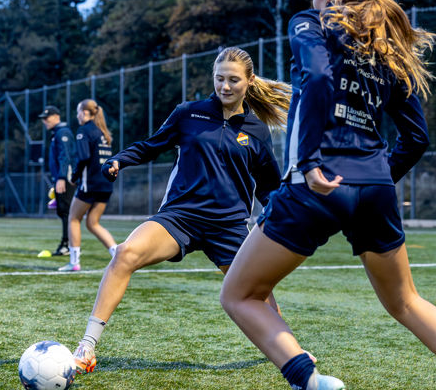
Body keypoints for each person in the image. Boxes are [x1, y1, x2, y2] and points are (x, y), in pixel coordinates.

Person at [219, 0, 436, 390]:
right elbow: (416, 137)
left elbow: (315, 77)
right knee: (406, 301)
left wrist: (311, 162)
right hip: (375, 186)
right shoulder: (384, 45)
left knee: (239, 294)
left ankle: (310, 381)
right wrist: (377, 178)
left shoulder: (309, 23)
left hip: (317, 185)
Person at [71, 46, 290, 374]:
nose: (225, 86)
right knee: (125, 254)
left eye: (233, 80)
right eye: (219, 79)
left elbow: (269, 185)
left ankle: (290, 354)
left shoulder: (257, 130)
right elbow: (151, 145)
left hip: (228, 226)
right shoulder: (189, 114)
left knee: (258, 295)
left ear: (249, 81)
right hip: (179, 217)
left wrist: (280, 216)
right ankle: (86, 345)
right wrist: (120, 160)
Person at [58, 99, 118, 272]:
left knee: (73, 218)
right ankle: (118, 253)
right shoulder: (103, 132)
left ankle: (74, 262)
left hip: (90, 184)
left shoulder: (84, 131)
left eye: (78, 112)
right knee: (92, 223)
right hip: (106, 185)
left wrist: (74, 177)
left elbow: (83, 157)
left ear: (85, 113)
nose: (77, 116)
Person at [38, 105, 76, 257]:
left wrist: (61, 178)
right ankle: (67, 244)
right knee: (64, 211)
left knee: (67, 212)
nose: (44, 121)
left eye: (46, 118)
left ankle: (67, 245)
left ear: (56, 117)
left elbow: (65, 156)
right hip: (62, 178)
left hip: (65, 179)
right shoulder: (57, 133)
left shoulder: (63, 133)